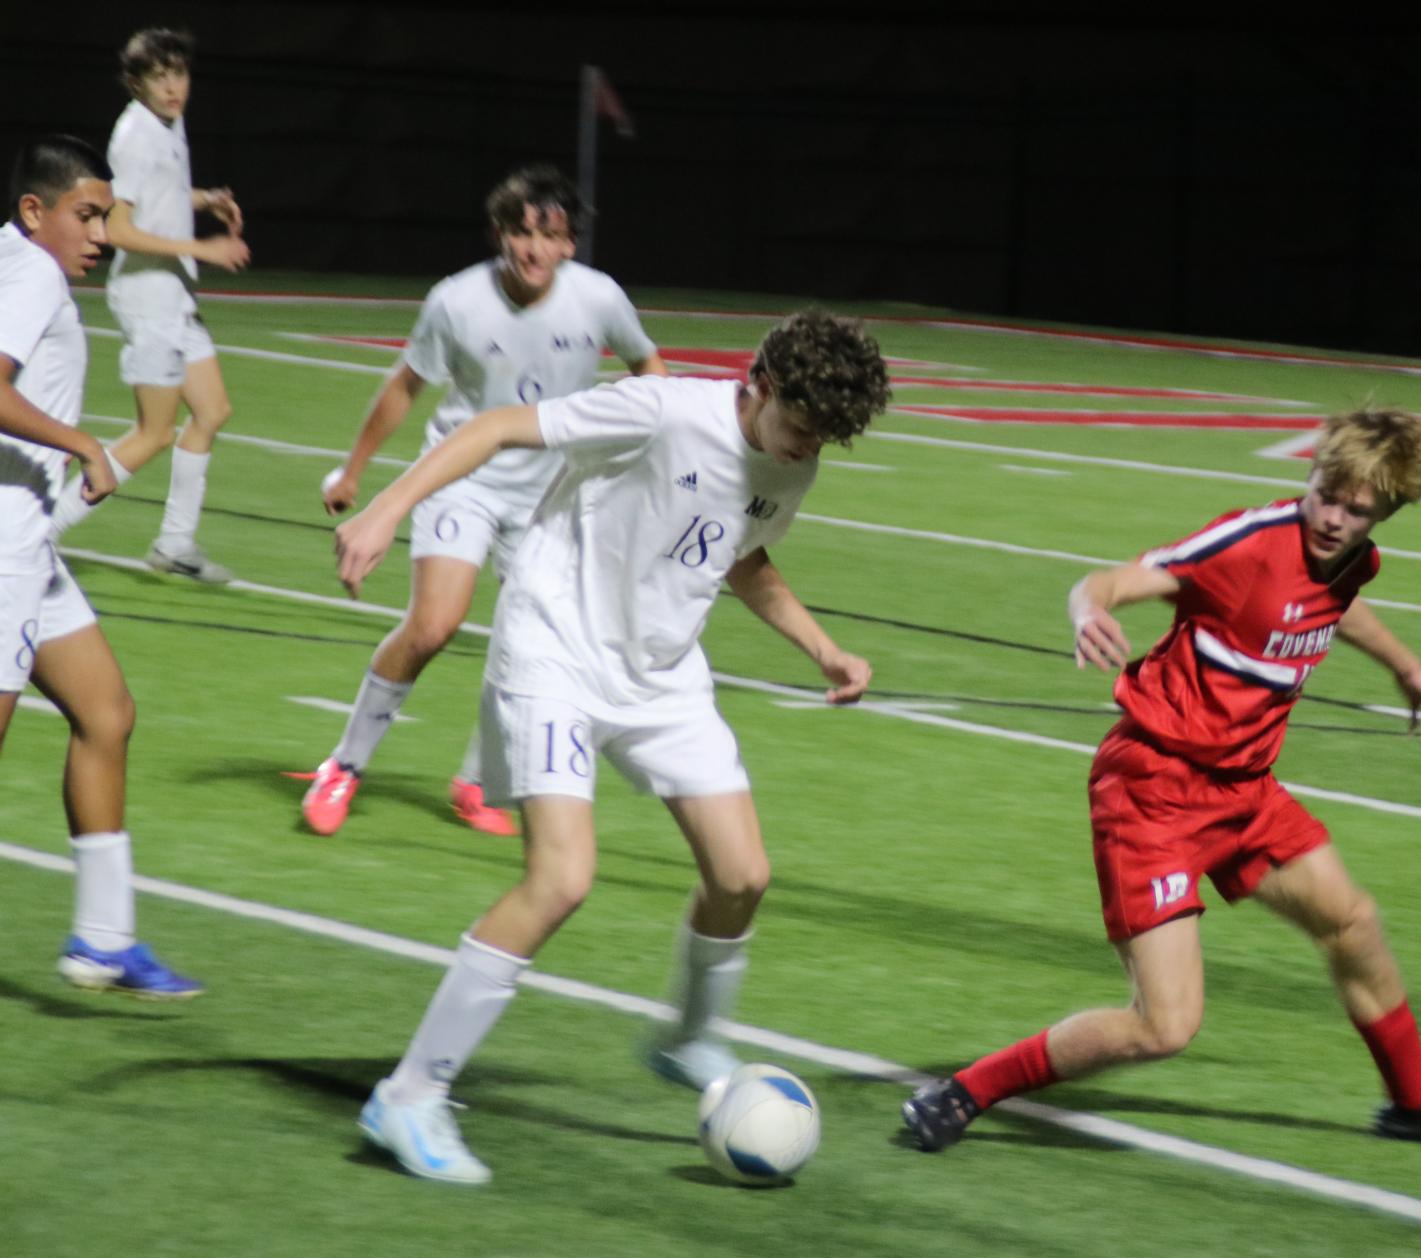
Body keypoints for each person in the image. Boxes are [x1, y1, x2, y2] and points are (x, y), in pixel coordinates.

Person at [331, 309, 890, 1183]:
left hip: (661, 674)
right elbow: (494, 426)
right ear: (761, 384)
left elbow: (742, 557)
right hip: (554, 650)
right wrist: (384, 509)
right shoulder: (660, 410)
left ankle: (687, 1039)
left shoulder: (795, 458)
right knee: (561, 879)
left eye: (822, 440)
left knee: (742, 875)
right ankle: (406, 1098)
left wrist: (821, 648)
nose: (804, 450)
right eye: (799, 427)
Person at [901, 409, 1421, 1152]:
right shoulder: (1245, 542)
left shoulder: (1352, 561)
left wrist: (1407, 667)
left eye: (1356, 511)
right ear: (1311, 474)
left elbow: (1335, 607)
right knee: (1164, 1026)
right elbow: (1116, 580)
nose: (1332, 518)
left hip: (1244, 791)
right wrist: (1084, 606)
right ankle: (966, 1089)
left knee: (1351, 923)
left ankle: (1416, 1106)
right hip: (1151, 791)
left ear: (1382, 513)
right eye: (1326, 493)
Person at [300, 166, 667, 838]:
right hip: (461, 478)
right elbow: (404, 387)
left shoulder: (599, 298)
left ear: (568, 245)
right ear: (499, 234)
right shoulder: (456, 301)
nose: (532, 248)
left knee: (529, 641)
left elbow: (649, 368)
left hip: (552, 494)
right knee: (434, 625)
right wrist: (355, 472)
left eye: (547, 235)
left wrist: (652, 445)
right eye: (520, 232)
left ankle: (475, 781)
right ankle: (344, 765)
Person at [1, 134, 201, 999]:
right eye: (88, 215)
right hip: (3, 549)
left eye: (108, 215)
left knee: (106, 713)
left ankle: (104, 939)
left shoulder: (17, 262)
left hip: (30, 546)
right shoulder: (34, 274)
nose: (103, 233)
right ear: (34, 211)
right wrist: (85, 443)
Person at [48, 26, 250, 583]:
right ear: (135, 83)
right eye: (158, 78)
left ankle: (175, 544)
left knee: (211, 412)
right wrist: (200, 246)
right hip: (147, 298)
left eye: (178, 74)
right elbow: (117, 228)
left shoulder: (169, 121)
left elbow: (155, 197)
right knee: (154, 433)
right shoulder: (135, 134)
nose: (172, 87)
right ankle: (39, 535)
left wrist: (204, 199)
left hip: (175, 296)